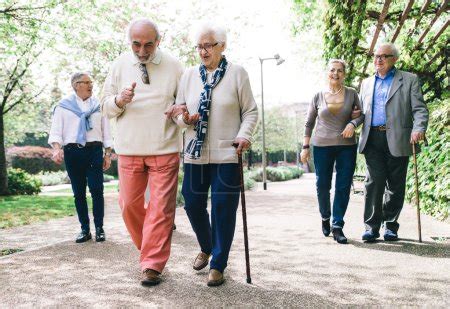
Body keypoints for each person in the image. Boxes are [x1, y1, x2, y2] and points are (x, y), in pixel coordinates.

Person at [166, 23, 258, 286]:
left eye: (208, 45)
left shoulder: (238, 74)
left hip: (227, 154)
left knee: (223, 209)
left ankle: (218, 264)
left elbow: (250, 111)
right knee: (192, 203)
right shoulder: (189, 76)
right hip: (195, 153)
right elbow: (180, 116)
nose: (203, 51)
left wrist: (244, 135)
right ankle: (207, 246)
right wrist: (185, 118)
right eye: (199, 46)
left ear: (222, 46)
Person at [101, 18, 184, 286]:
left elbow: (183, 106)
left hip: (164, 147)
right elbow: (105, 106)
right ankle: (149, 248)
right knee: (128, 205)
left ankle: (152, 264)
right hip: (129, 148)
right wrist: (119, 101)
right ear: (130, 42)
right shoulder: (119, 65)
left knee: (161, 210)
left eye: (148, 44)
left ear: (158, 42)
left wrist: (181, 114)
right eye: (136, 44)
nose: (142, 50)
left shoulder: (174, 66)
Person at [358, 43, 428, 242]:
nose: (378, 59)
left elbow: (420, 109)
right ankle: (371, 227)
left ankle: (390, 226)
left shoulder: (409, 79)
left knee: (395, 185)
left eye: (384, 56)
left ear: (394, 59)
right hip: (372, 138)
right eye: (376, 56)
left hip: (399, 137)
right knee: (373, 183)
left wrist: (418, 128)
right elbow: (361, 111)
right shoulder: (366, 83)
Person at [300, 59, 364, 244]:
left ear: (344, 73)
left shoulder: (352, 94)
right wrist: (305, 147)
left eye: (339, 71)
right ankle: (325, 216)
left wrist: (353, 123)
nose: (335, 73)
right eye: (332, 70)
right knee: (322, 185)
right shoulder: (318, 96)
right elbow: (309, 123)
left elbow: (361, 116)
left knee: (343, 186)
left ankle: (337, 226)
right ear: (327, 72)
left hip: (346, 146)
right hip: (321, 146)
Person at [49, 72, 112, 243]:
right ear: (76, 85)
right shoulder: (63, 106)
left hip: (94, 151)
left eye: (91, 82)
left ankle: (99, 228)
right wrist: (56, 149)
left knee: (97, 189)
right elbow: (56, 130)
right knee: (78, 193)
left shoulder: (99, 105)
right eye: (86, 82)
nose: (91, 85)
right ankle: (85, 229)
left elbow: (106, 131)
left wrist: (108, 154)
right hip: (73, 152)